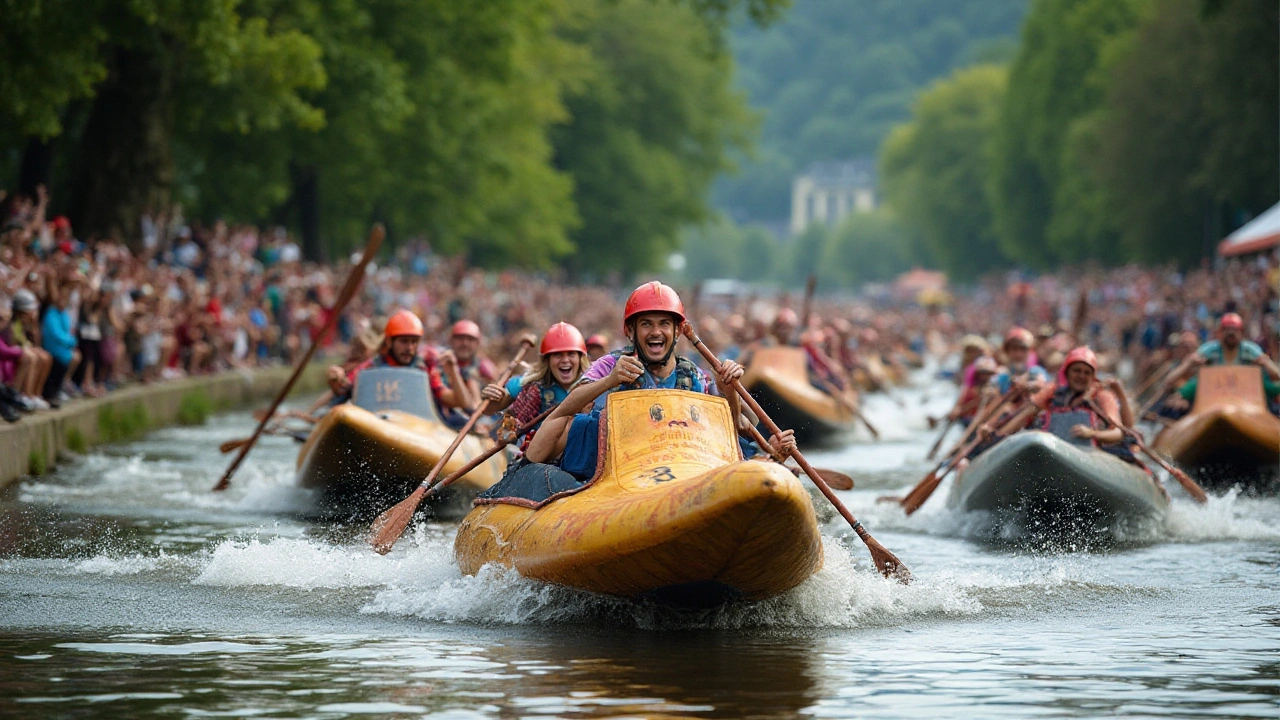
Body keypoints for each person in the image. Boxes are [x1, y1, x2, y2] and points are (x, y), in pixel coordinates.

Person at [525, 281, 792, 481]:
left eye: (664, 323)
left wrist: (728, 391)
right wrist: (611, 380)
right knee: (579, 422)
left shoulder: (695, 376)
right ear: (631, 331)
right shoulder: (610, 364)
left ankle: (770, 458)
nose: (656, 332)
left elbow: (735, 429)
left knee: (747, 447)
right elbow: (566, 409)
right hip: (620, 466)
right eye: (646, 324)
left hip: (680, 467)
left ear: (677, 331)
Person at [977, 347, 1135, 465]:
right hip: (1053, 454)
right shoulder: (1052, 392)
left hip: (1090, 454)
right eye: (1076, 371)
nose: (1081, 376)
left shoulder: (1102, 396)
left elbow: (1117, 433)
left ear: (1093, 377)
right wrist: (997, 437)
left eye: (1087, 372)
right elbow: (1024, 416)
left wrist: (1092, 433)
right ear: (1067, 373)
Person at [326, 310, 471, 415]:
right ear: (389, 341)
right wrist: (335, 378)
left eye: (414, 342)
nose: (409, 348)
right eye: (404, 342)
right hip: (380, 422)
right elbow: (343, 388)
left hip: (419, 426)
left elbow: (460, 402)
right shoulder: (371, 366)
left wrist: (454, 372)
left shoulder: (426, 367)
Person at [479, 321, 589, 451]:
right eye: (557, 354)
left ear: (580, 358)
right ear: (547, 360)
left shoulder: (592, 384)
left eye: (571, 354)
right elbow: (488, 410)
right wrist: (493, 397)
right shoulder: (529, 384)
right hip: (535, 455)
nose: (565, 360)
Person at [1160, 313, 1280, 417]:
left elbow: (1273, 377)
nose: (1231, 333)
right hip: (1214, 398)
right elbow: (1172, 382)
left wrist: (1267, 364)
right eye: (1227, 329)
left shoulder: (1251, 350)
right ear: (1221, 332)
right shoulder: (1209, 350)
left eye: (1234, 329)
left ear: (1241, 332)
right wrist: (1189, 363)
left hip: (1247, 399)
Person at [994, 327, 1050, 395]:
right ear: (1007, 351)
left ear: (1029, 351)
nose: (1018, 354)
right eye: (1014, 349)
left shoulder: (1036, 372)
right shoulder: (1001, 377)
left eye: (1023, 349)